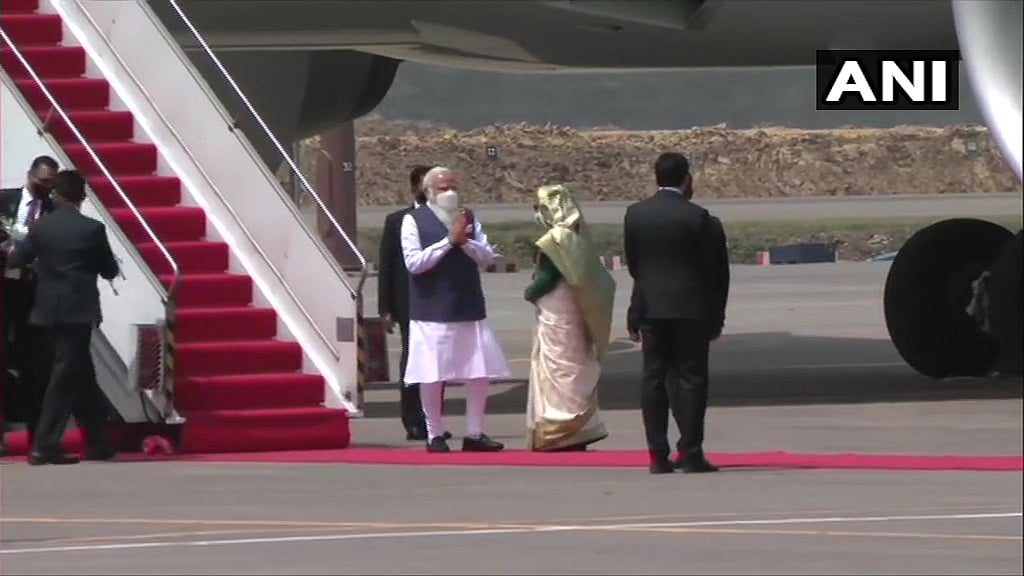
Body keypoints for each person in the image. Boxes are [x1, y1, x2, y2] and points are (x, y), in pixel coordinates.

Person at [623, 152, 730, 475]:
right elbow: (716, 273)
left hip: (651, 307)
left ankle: (657, 454)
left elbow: (636, 266)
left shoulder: (636, 215)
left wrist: (637, 308)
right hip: (691, 309)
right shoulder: (699, 218)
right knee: (691, 379)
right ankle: (691, 451)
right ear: (687, 179)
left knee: (653, 378)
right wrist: (716, 316)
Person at [7, 169, 120, 465]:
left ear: (56, 195)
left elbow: (17, 259)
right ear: (81, 197)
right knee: (65, 376)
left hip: (46, 310)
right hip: (77, 311)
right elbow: (109, 269)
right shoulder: (92, 229)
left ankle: (98, 441)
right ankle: (45, 444)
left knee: (81, 374)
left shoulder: (41, 227)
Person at [400, 166, 509, 453]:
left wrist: (465, 242)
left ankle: (475, 432)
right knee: (432, 374)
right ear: (428, 192)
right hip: (432, 309)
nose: (450, 193)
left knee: (478, 372)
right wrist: (448, 242)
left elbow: (487, 257)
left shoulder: (468, 217)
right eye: (443, 188)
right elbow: (414, 263)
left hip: (467, 305)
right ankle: (434, 433)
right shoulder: (413, 220)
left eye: (453, 187)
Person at [523, 184, 615, 452]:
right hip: (576, 308)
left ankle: (559, 427)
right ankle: (581, 425)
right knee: (574, 363)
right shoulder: (578, 237)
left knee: (557, 366)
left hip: (556, 309)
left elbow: (546, 279)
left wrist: (529, 293)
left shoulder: (554, 241)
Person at [377, 165, 450, 442]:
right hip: (409, 302)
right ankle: (413, 421)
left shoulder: (448, 217)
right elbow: (387, 266)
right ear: (414, 188)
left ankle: (433, 422)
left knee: (439, 364)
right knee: (413, 361)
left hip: (439, 300)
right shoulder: (397, 220)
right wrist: (385, 308)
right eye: (425, 185)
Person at [0, 155, 58, 452]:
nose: (45, 189)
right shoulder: (5, 201)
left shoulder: (54, 210)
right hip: (4, 286)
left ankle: (39, 438)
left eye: (51, 184)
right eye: (42, 182)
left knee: (34, 365)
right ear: (30, 175)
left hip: (33, 293)